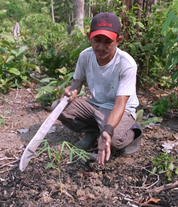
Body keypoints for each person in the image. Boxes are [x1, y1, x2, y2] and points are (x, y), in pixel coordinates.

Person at [51, 12, 142, 166]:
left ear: (118, 41)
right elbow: (76, 83)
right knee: (58, 107)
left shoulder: (126, 63)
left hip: (120, 110)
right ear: (89, 37)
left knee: (112, 142)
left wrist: (108, 130)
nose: (101, 47)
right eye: (97, 40)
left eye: (108, 42)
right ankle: (94, 132)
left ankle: (134, 133)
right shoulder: (85, 56)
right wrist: (70, 91)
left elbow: (120, 104)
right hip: (95, 105)